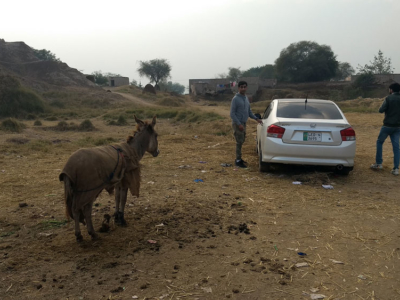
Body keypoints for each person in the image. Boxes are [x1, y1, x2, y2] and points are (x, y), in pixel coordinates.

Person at [230, 81, 263, 168]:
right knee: (239, 142)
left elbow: (249, 112)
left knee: (242, 140)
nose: (243, 88)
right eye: (241, 87)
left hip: (243, 123)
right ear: (238, 88)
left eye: (245, 87)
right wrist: (239, 124)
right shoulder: (235, 99)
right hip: (238, 124)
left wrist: (256, 119)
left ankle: (239, 158)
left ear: (246, 88)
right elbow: (232, 114)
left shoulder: (246, 98)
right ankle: (237, 160)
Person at [371, 82, 400, 175]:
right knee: (396, 147)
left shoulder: (388, 98)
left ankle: (379, 163)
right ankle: (396, 168)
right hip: (397, 127)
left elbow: (381, 110)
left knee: (380, 142)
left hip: (387, 126)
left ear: (391, 90)